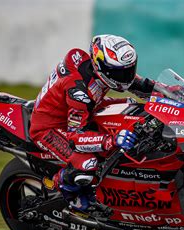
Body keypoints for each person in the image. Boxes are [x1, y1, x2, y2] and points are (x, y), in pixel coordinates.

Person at [29, 34, 155, 214]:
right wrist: (111, 140)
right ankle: (60, 189)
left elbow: (140, 85)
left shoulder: (104, 71)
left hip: (88, 111)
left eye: (129, 69)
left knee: (131, 107)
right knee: (87, 164)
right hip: (51, 128)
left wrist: (171, 92)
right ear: (101, 67)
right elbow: (76, 137)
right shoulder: (79, 92)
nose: (126, 76)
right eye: (120, 72)